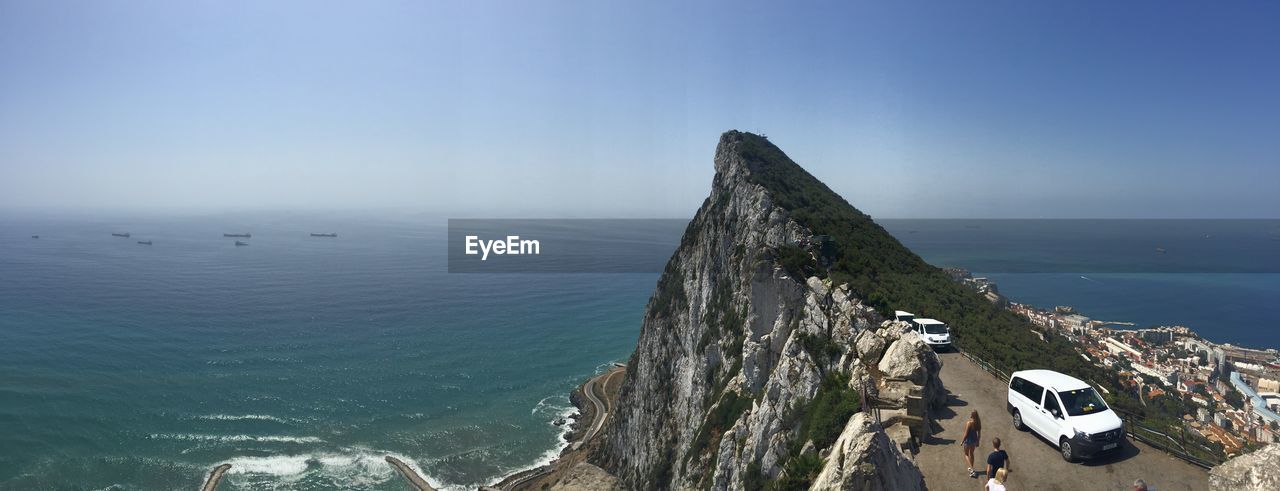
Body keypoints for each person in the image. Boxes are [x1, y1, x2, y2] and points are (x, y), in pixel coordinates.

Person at [961, 410, 982, 477]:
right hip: (974, 440)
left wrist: (962, 441)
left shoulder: (969, 423)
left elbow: (966, 434)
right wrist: (978, 441)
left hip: (968, 441)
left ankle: (972, 470)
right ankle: (971, 468)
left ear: (972, 415)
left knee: (966, 454)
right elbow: (979, 434)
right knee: (971, 453)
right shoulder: (978, 423)